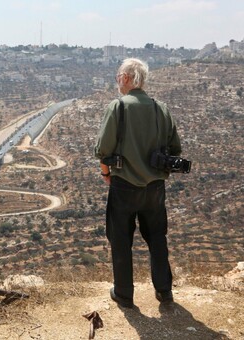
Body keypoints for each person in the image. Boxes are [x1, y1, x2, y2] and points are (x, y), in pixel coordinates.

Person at [94, 58, 182, 308]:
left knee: (121, 238)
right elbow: (176, 148)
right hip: (155, 189)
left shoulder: (118, 107)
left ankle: (124, 294)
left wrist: (105, 174)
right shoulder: (160, 108)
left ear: (126, 78)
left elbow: (103, 149)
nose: (117, 81)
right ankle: (164, 291)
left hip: (123, 186)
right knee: (157, 236)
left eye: (118, 76)